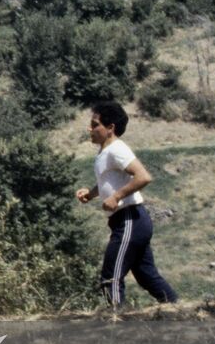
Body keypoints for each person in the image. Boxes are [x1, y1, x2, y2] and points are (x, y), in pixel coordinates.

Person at [76, 101, 178, 307]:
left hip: (130, 218)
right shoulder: (104, 153)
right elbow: (108, 182)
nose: (91, 129)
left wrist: (116, 197)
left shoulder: (116, 149)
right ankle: (179, 309)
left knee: (110, 276)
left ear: (110, 128)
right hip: (128, 221)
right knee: (147, 276)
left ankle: (116, 325)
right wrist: (91, 193)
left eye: (95, 124)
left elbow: (143, 176)